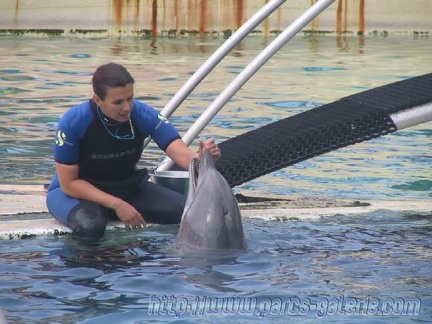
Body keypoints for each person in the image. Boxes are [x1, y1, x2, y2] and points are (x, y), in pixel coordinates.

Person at [46, 62, 221, 241]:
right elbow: (69, 183)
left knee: (191, 214)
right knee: (91, 226)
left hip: (126, 188)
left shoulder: (143, 114)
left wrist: (202, 158)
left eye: (130, 98)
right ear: (98, 100)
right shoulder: (73, 122)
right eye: (118, 102)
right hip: (76, 195)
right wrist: (117, 205)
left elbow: (181, 154)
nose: (127, 108)